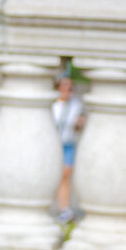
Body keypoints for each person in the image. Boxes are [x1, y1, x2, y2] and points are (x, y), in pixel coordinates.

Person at [52, 72, 86, 223]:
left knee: (65, 175)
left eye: (71, 87)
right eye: (65, 86)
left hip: (68, 143)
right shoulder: (52, 105)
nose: (68, 90)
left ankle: (64, 208)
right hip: (53, 144)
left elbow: (78, 128)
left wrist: (79, 124)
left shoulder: (76, 105)